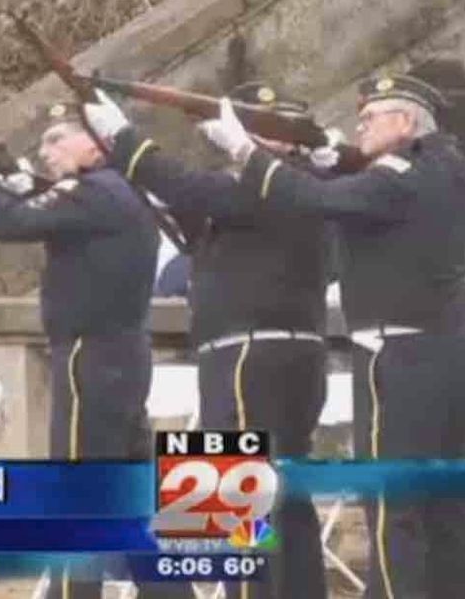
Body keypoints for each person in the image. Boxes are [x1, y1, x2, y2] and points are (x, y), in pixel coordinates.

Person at [197, 63, 465, 599]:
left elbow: (168, 182)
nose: (358, 125)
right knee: (429, 510)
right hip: (280, 352)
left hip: (261, 354)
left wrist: (124, 138)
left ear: (407, 124)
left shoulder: (393, 177)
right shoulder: (435, 169)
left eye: (370, 116)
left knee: (389, 508)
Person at [0, 101, 192, 599]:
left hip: (90, 355)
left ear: (95, 141)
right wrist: (24, 188)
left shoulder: (94, 192)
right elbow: (47, 217)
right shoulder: (113, 192)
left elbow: (10, 225)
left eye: (57, 139)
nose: (45, 152)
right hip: (121, 356)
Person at [89, 82, 331, 599]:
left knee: (236, 493)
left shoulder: (269, 184)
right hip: (280, 352)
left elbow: (191, 188)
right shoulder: (300, 185)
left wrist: (125, 140)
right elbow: (196, 214)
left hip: (246, 352)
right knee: (286, 499)